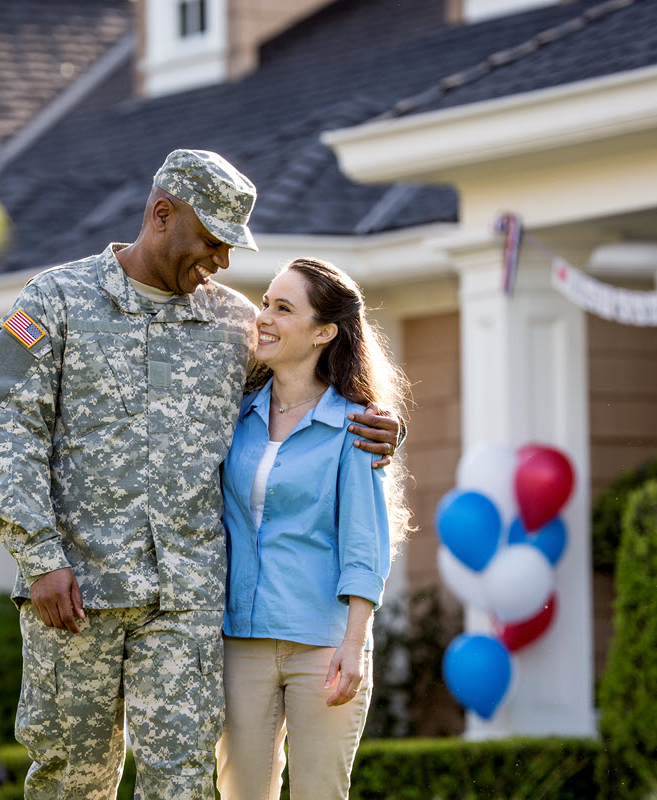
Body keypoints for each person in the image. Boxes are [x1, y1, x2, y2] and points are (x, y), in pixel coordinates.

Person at [0, 150, 401, 800]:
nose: (224, 262)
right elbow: (9, 432)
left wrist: (383, 426)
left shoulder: (234, 325)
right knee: (72, 782)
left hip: (188, 604)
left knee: (183, 786)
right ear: (162, 214)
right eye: (212, 241)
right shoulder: (55, 301)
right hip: (75, 596)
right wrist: (38, 558)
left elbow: (306, 395)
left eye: (231, 248)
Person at [216, 257, 410, 800]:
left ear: (324, 332)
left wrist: (355, 641)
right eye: (264, 303)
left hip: (324, 645)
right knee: (240, 793)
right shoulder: (234, 416)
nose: (264, 318)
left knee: (318, 793)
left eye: (283, 308)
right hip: (242, 641)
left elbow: (365, 542)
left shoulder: (357, 428)